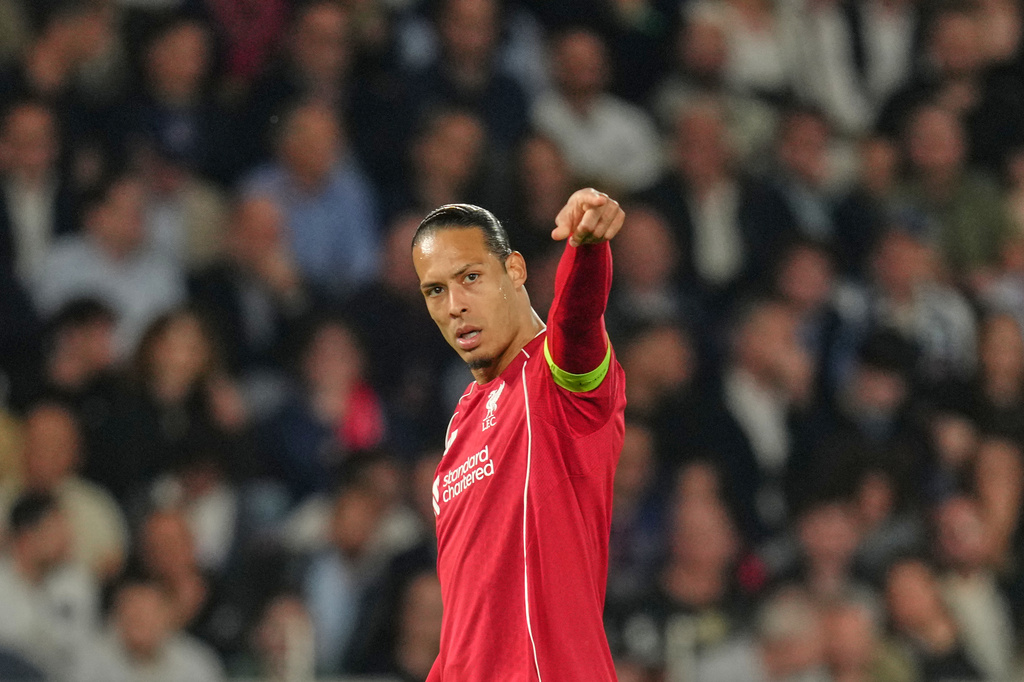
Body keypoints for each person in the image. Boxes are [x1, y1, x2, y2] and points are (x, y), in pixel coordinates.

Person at [411, 188, 626, 680]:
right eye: (435, 290)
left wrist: (585, 246)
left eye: (470, 277)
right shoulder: (458, 430)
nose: (455, 306)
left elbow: (576, 319)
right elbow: (465, 625)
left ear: (514, 270)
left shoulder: (555, 382)